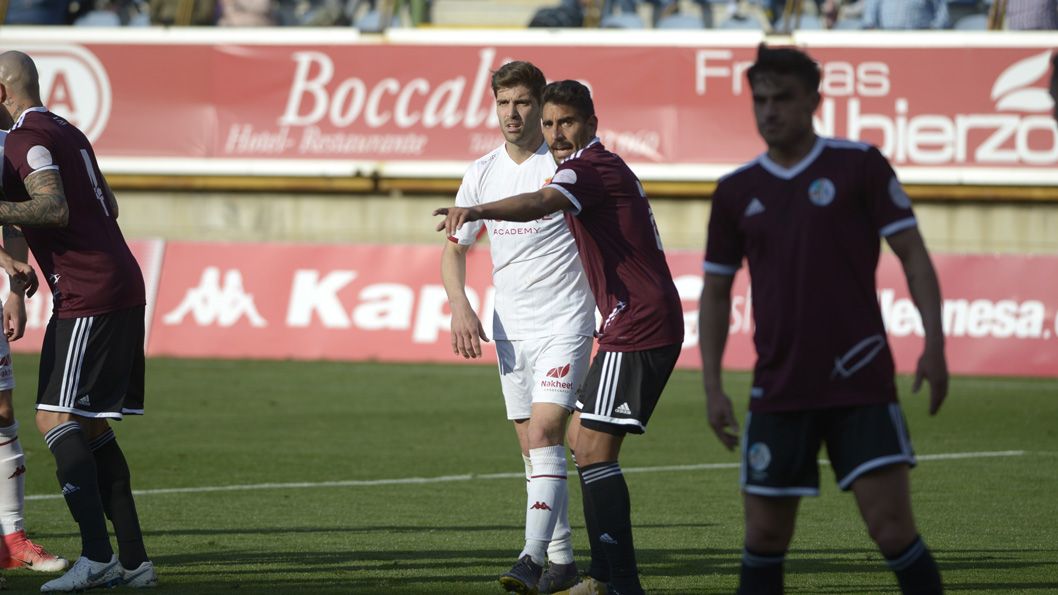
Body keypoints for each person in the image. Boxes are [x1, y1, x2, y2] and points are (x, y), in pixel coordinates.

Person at [698, 44, 947, 595]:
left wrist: (935, 343)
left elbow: (913, 254)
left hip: (860, 381)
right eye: (760, 99)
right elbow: (716, 292)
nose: (769, 110)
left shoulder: (858, 165)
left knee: (891, 529)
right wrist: (712, 384)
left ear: (814, 99)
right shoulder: (736, 191)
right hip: (780, 387)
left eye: (782, 98)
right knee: (763, 536)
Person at [436, 79, 685, 595]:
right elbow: (462, 246)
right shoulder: (564, 167)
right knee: (575, 442)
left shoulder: (584, 169)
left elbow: (541, 201)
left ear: (591, 124)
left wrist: (480, 211)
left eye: (564, 122)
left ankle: (611, 579)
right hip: (611, 321)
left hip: (629, 321)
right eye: (549, 124)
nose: (556, 132)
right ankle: (585, 570)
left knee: (585, 446)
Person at [0, 50, 157, 592]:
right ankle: (134, 561)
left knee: (51, 418)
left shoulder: (24, 139)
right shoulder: (67, 129)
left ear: (1, 92)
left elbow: (55, 209)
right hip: (115, 281)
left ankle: (96, 556)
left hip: (90, 293)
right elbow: (107, 205)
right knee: (89, 424)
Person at [440, 61, 595, 595]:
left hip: (566, 321)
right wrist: (460, 305)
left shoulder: (567, 166)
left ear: (541, 105)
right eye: (503, 102)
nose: (512, 113)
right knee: (534, 453)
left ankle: (530, 559)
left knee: (546, 433)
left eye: (523, 103)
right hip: (511, 329)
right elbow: (453, 250)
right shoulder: (481, 171)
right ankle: (564, 564)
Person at [0, 92, 71, 579]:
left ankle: (11, 538)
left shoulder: (7, 144)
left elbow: (16, 220)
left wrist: (14, 294)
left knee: (3, 411)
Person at [862, 0, 949, 29]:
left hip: (920, 40)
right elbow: (869, 20)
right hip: (887, 39)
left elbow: (942, 15)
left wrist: (933, 33)